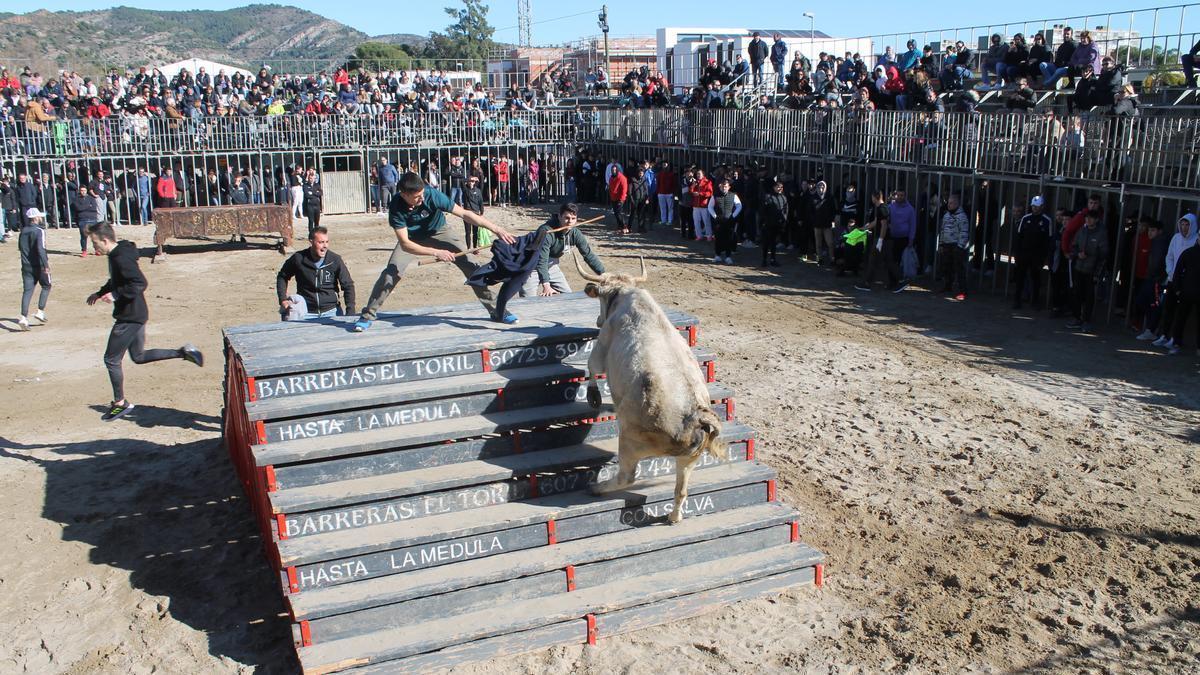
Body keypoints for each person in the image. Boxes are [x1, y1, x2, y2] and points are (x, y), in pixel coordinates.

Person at [355, 172, 517, 331]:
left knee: (472, 267)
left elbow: (465, 214)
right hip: (412, 239)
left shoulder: (432, 195)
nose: (422, 198)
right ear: (404, 195)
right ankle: (368, 314)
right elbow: (405, 244)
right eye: (417, 196)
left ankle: (497, 310)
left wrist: (496, 229)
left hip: (440, 231)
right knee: (391, 274)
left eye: (422, 194)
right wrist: (435, 252)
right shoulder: (396, 206)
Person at [85, 223, 204, 422]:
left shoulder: (121, 258)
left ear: (105, 240)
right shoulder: (119, 253)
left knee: (111, 359)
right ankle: (184, 352)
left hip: (129, 316)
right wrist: (100, 292)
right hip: (137, 313)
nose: (94, 247)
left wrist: (115, 294)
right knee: (138, 356)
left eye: (95, 242)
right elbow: (118, 281)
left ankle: (120, 403)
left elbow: (139, 283)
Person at [519, 202, 605, 297]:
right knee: (527, 300)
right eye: (566, 218)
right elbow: (541, 260)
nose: (570, 222)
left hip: (551, 266)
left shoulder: (575, 233)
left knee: (568, 296)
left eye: (573, 219)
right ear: (559, 216)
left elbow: (588, 254)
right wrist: (546, 284)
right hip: (531, 266)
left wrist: (604, 274)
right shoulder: (546, 231)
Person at [277, 226, 355, 321]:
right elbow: (282, 276)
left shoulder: (335, 260)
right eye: (321, 242)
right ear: (311, 242)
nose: (325, 246)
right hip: (305, 313)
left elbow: (348, 285)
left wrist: (350, 311)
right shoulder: (298, 259)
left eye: (327, 242)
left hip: (332, 312)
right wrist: (283, 299)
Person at [1066, 210, 1108, 332]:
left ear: (1096, 220)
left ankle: (1087, 320)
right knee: (1076, 293)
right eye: (1087, 218)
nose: (1088, 220)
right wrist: (1078, 254)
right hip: (1079, 268)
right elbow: (1073, 246)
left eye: (1091, 218)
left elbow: (1103, 256)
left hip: (1091, 271)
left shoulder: (1101, 234)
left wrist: (1097, 274)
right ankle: (1076, 317)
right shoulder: (1081, 231)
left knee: (1089, 297)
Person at [1013, 196, 1052, 310]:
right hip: (1024, 254)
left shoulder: (1046, 220)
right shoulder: (1025, 218)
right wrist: (1017, 254)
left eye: (1038, 206)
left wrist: (1043, 258)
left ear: (1042, 207)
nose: (1035, 209)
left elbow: (1048, 241)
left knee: (1035, 279)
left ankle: (1034, 301)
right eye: (1033, 206)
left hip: (1037, 256)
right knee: (1020, 278)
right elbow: (1019, 238)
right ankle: (1017, 300)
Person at [18, 208, 51, 331]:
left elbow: (21, 248)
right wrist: (46, 265)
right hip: (39, 265)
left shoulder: (23, 231)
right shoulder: (39, 231)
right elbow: (41, 249)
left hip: (26, 266)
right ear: (36, 218)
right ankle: (40, 311)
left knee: (27, 291)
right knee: (47, 285)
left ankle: (23, 317)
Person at [937, 193, 970, 300]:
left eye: (951, 203)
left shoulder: (962, 216)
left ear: (957, 203)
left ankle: (963, 291)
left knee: (959, 269)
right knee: (946, 267)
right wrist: (941, 244)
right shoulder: (946, 215)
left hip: (956, 246)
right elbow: (942, 230)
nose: (949, 205)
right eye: (948, 203)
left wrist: (960, 247)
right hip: (946, 244)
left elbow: (964, 232)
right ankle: (947, 286)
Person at [708, 177, 742, 264]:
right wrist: (715, 216)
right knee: (718, 238)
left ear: (729, 187)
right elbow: (710, 207)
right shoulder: (715, 195)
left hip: (729, 221)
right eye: (722, 186)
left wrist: (733, 216)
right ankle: (717, 255)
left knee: (729, 239)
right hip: (719, 221)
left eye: (726, 186)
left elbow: (739, 206)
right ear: (720, 186)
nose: (724, 188)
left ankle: (728, 256)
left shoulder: (733, 195)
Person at [759, 179, 787, 268]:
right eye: (778, 187)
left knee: (774, 243)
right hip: (768, 224)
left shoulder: (783, 197)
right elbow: (763, 211)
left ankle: (773, 259)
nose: (779, 189)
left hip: (777, 224)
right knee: (766, 243)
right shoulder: (768, 197)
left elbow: (786, 210)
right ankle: (764, 259)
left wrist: (784, 220)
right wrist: (763, 222)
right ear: (774, 187)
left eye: (781, 187)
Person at [72, 184, 102, 256]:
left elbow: (94, 208)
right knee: (83, 236)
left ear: (86, 191)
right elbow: (78, 208)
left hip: (92, 219)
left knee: (94, 236)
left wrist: (84, 207)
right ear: (79, 191)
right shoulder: (76, 199)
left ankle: (97, 250)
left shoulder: (91, 198)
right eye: (82, 190)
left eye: (84, 190)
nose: (83, 192)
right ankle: (84, 251)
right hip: (82, 219)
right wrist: (88, 206)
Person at [461, 174, 485, 248]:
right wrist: (470, 178)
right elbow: (462, 181)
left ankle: (474, 247)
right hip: (467, 213)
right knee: (468, 232)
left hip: (476, 213)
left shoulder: (478, 190)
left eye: (472, 181)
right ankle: (468, 248)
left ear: (475, 183)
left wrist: (482, 211)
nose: (471, 183)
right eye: (470, 181)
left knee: (475, 232)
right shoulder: (465, 190)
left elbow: (481, 201)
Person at [607, 164, 629, 234]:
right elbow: (610, 187)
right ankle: (619, 225)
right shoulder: (611, 177)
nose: (613, 171)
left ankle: (624, 226)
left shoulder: (622, 178)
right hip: (613, 198)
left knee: (619, 213)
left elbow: (624, 189)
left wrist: (621, 199)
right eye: (612, 170)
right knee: (616, 213)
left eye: (615, 170)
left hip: (620, 199)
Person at [302, 168, 323, 236]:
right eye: (310, 178)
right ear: (308, 178)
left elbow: (321, 193)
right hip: (310, 205)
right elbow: (307, 195)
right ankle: (311, 234)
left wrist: (313, 192)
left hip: (317, 205)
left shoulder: (317, 185)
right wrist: (315, 193)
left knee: (317, 221)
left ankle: (316, 233)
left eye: (313, 178)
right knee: (311, 220)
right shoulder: (305, 185)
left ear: (314, 178)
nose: (311, 180)